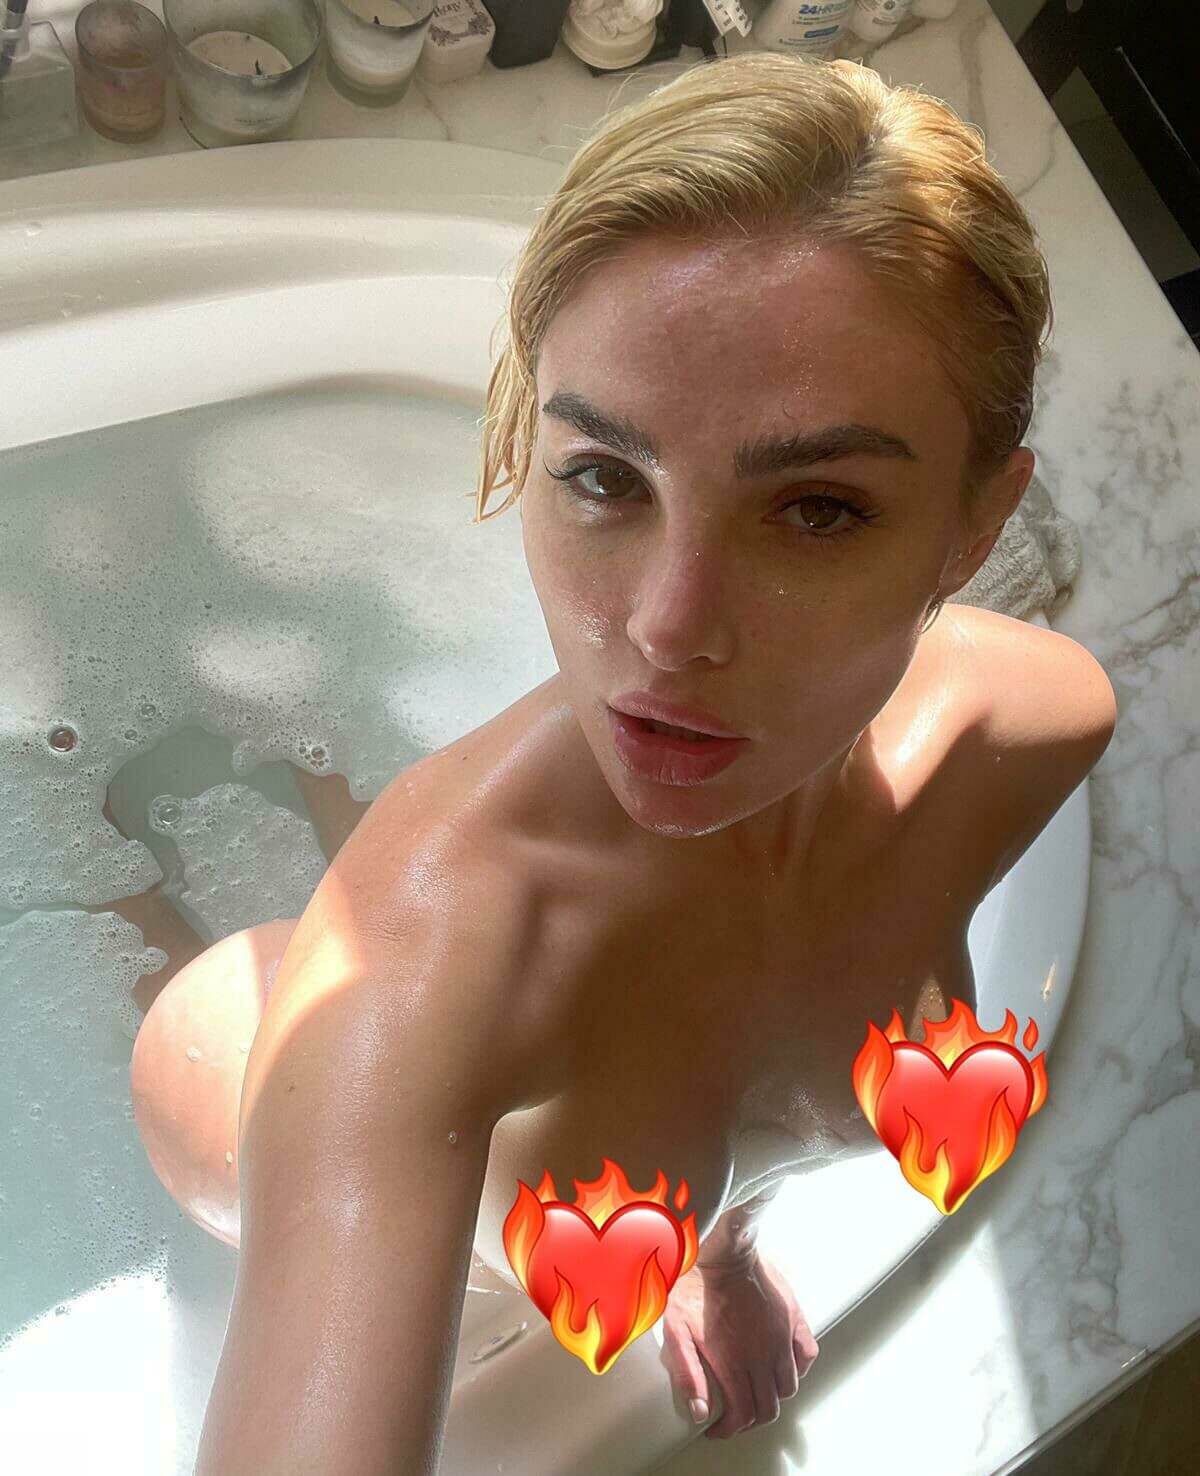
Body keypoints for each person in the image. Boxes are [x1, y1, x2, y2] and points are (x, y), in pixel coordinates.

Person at [127, 52, 1117, 1473]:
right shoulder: (414, 987)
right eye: (603, 477)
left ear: (973, 527)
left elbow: (754, 1079)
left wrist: (720, 1255)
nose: (665, 630)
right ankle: (137, 879)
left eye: (819, 509)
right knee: (190, 943)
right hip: (224, 1078)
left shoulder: (1027, 733)